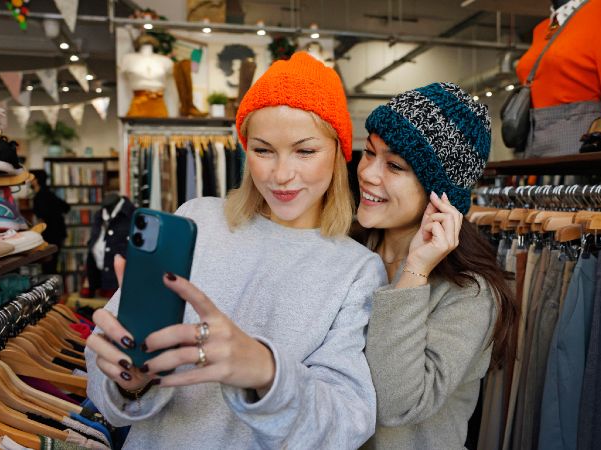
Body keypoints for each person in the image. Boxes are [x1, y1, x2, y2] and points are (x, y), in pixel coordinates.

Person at [85, 52, 387, 448]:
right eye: (263, 150)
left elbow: (346, 423)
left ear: (338, 151)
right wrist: (130, 380)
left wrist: (265, 371)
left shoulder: (356, 269)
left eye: (305, 151)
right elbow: (102, 370)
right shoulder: (197, 220)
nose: (281, 174)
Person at [355, 82, 518, 449]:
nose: (368, 173)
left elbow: (396, 403)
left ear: (438, 194)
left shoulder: (469, 292)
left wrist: (415, 270)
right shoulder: (349, 250)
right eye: (368, 153)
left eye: (394, 165)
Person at [30, 169, 70, 274]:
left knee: (48, 265)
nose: (29, 180)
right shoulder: (48, 193)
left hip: (50, 234)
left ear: (36, 180)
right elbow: (66, 207)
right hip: (57, 233)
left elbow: (42, 216)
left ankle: (50, 288)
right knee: (51, 264)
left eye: (31, 178)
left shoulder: (41, 195)